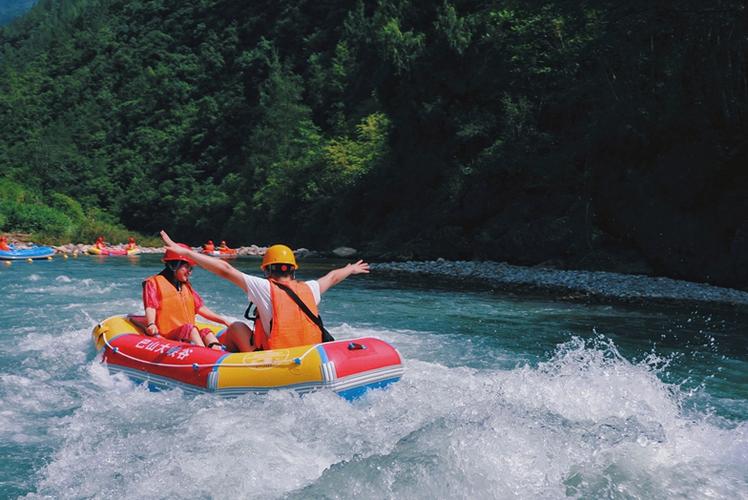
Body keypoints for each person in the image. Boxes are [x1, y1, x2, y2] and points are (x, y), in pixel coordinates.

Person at [160, 230, 370, 352]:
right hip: (308, 354)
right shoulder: (310, 288)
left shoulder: (264, 288)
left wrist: (185, 252)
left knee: (237, 327)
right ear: (293, 270)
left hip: (273, 359)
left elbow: (225, 269)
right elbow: (332, 277)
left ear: (268, 270)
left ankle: (215, 353)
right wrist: (350, 268)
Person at [142, 243, 230, 350]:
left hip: (188, 333)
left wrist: (224, 321)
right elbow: (151, 306)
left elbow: (200, 308)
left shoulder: (186, 286)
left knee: (207, 333)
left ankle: (218, 355)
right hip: (168, 335)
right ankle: (203, 355)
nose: (190, 272)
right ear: (173, 266)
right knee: (191, 329)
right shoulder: (153, 283)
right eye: (187, 267)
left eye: (191, 268)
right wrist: (151, 324)